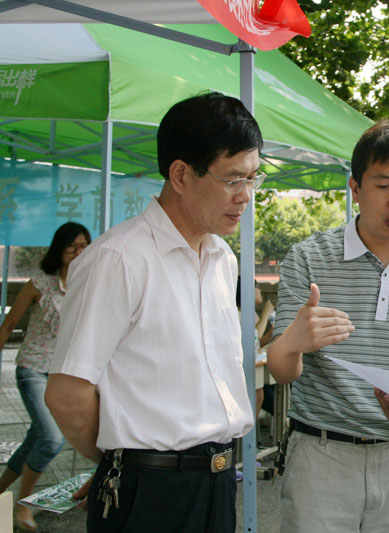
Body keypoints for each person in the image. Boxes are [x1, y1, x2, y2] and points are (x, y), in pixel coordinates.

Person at [44, 92, 262, 532]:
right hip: (151, 490)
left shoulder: (222, 258)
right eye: (232, 180)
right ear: (180, 174)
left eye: (253, 179)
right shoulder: (118, 259)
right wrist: (120, 461)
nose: (245, 197)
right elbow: (68, 394)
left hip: (219, 480)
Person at [268, 119, 389, 533]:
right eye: (383, 185)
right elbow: (281, 370)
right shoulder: (309, 258)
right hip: (322, 453)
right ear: (355, 188)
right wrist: (294, 341)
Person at [0, 222, 90, 531]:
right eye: (71, 246)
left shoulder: (88, 286)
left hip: (64, 375)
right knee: (51, 438)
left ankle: (0, 490)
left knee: (35, 438)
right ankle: (23, 506)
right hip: (33, 369)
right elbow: (8, 325)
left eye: (84, 246)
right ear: (59, 249)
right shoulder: (39, 283)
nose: (78, 252)